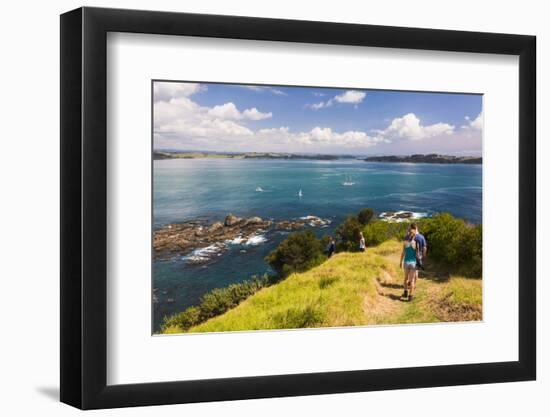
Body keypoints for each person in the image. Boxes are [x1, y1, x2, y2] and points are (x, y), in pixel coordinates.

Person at [399, 226, 418, 301]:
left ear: (408, 234)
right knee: (412, 280)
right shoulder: (415, 243)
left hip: (406, 262)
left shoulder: (405, 243)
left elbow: (403, 253)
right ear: (414, 235)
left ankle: (405, 292)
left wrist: (400, 262)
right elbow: (417, 254)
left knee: (406, 278)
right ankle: (410, 296)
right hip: (413, 262)